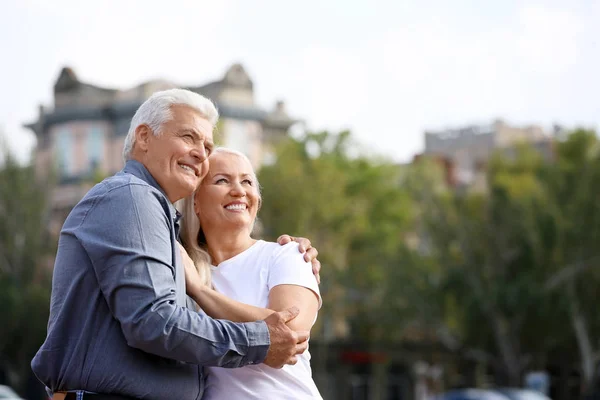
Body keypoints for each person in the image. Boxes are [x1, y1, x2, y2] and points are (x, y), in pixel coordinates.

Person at [31, 89, 322, 400]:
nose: (200, 153)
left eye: (207, 146)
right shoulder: (134, 197)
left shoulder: (174, 240)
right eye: (188, 137)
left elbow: (291, 330)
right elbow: (154, 321)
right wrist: (260, 341)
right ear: (143, 137)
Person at [178, 147, 323, 399]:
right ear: (195, 201)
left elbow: (289, 335)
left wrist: (201, 293)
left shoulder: (287, 254)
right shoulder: (180, 265)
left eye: (247, 181)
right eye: (222, 180)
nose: (239, 190)